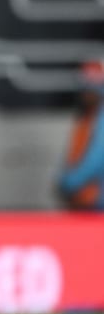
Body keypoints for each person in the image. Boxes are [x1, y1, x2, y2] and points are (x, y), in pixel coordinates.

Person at [58, 59, 104, 210]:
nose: (86, 93)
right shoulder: (88, 116)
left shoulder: (100, 117)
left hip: (96, 200)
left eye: (91, 87)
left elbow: (96, 158)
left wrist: (69, 183)